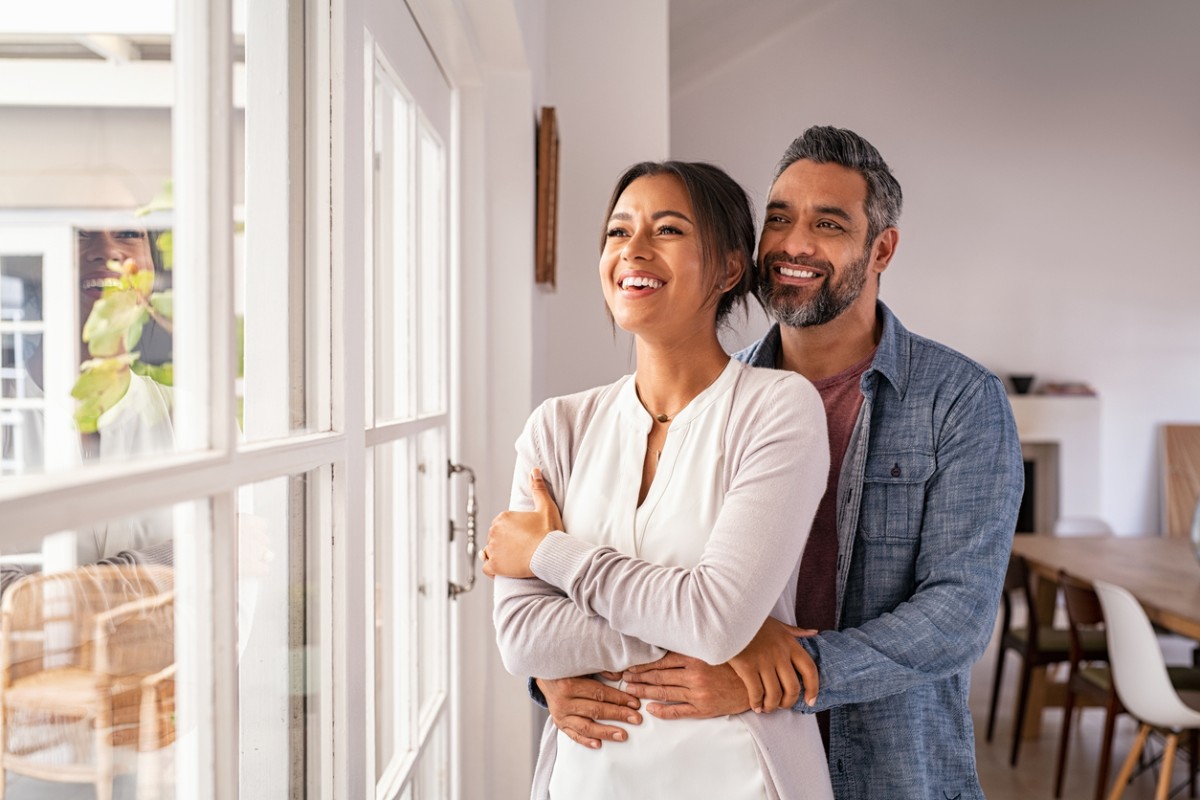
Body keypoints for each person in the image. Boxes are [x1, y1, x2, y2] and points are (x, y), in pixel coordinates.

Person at [534, 127, 1024, 800]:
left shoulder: (959, 401)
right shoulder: (710, 399)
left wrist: (789, 670)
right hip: (725, 764)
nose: (794, 245)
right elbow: (636, 573)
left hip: (891, 770)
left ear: (881, 248)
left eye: (827, 224)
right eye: (779, 220)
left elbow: (958, 615)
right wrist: (553, 672)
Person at [483, 161, 834, 799]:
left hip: (741, 777)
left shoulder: (778, 408)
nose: (633, 250)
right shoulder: (556, 428)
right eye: (618, 232)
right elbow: (522, 639)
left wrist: (546, 554)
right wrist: (712, 626)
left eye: (667, 230)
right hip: (585, 780)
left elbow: (717, 617)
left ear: (730, 268)